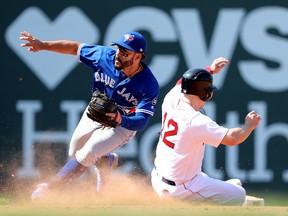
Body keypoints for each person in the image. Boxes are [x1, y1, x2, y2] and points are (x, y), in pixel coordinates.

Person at [20, 31, 159, 199]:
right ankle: (105, 160)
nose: (118, 55)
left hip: (121, 124)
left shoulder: (149, 84)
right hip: (96, 111)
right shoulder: (104, 56)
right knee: (75, 151)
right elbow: (75, 48)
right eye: (118, 49)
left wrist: (120, 118)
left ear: (138, 57)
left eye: (125, 53)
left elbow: (142, 121)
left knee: (89, 152)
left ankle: (49, 189)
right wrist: (43, 45)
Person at [151, 63, 262, 206]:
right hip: (181, 189)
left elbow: (181, 82)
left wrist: (210, 69)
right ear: (205, 94)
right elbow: (233, 138)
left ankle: (224, 189)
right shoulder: (196, 120)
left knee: (231, 183)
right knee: (239, 195)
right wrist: (249, 125)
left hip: (158, 178)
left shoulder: (171, 98)